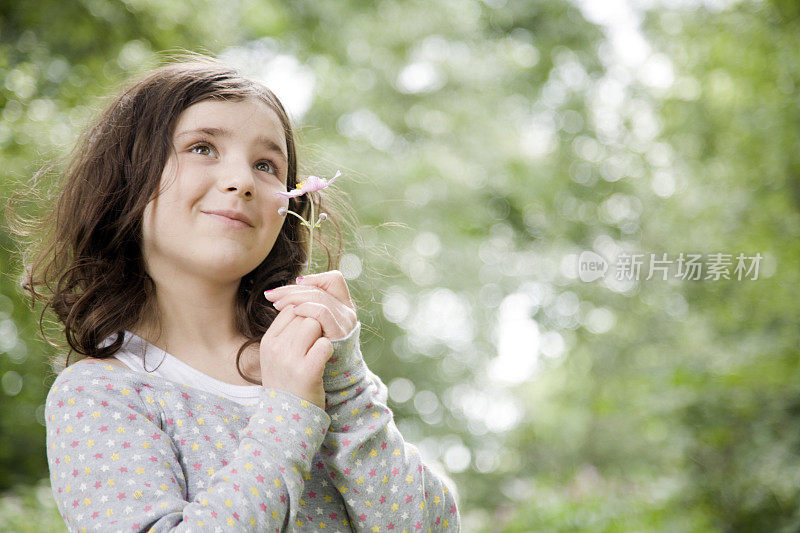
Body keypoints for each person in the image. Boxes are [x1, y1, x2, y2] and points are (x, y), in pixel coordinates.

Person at [17, 55, 460, 531]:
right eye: (203, 148)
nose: (243, 182)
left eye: (267, 165)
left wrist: (346, 386)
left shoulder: (317, 365)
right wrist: (289, 414)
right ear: (126, 179)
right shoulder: (100, 393)